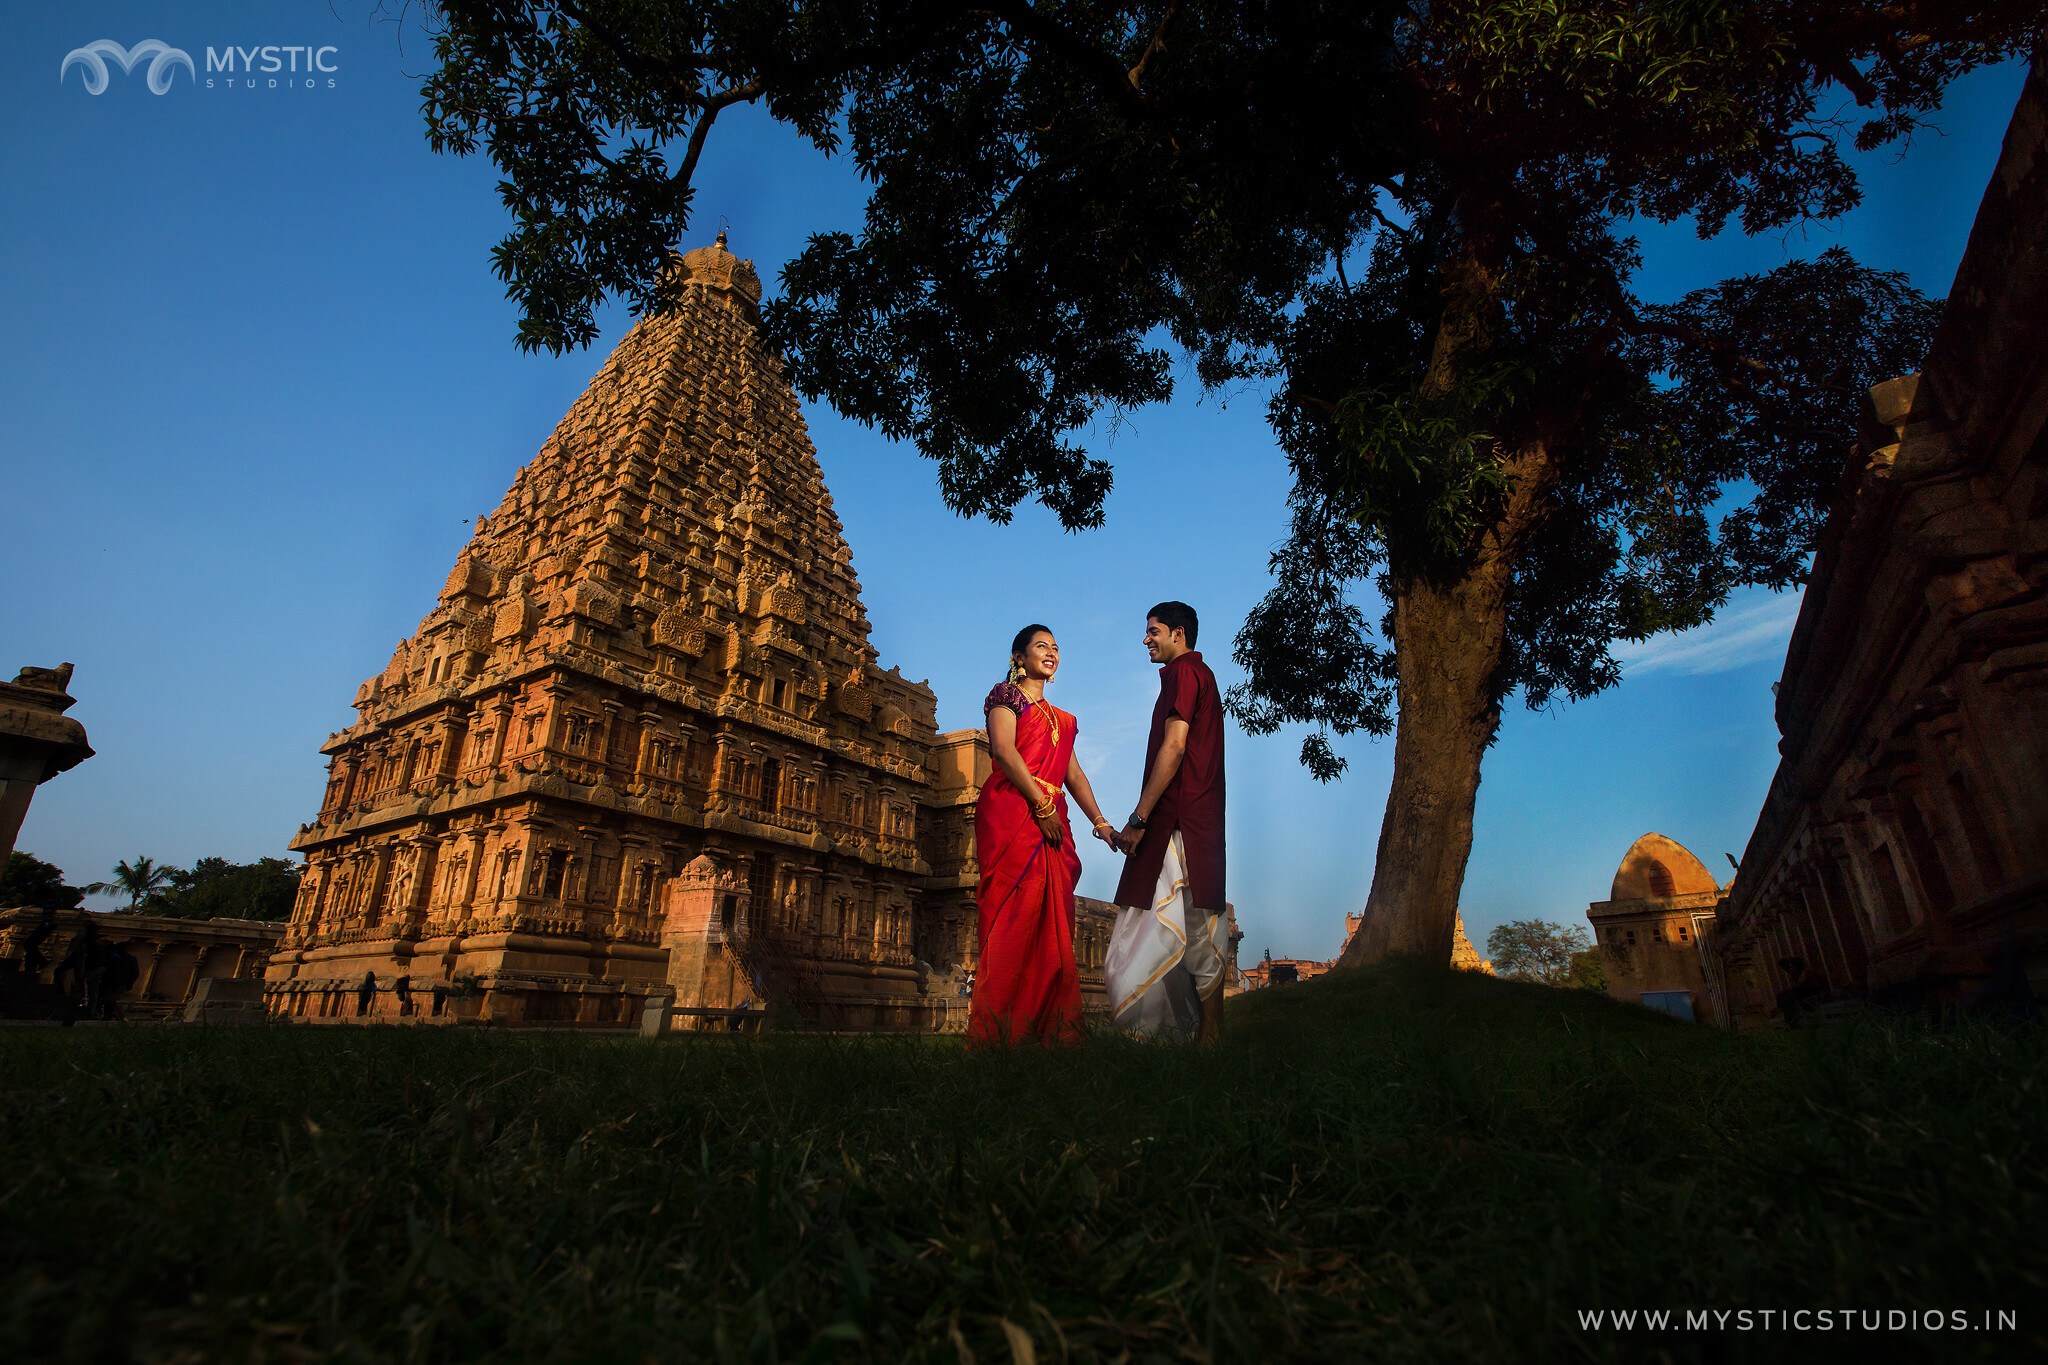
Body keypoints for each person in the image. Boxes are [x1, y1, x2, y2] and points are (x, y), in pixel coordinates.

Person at [969, 624, 1119, 1046]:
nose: (1051, 653)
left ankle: (1050, 1034)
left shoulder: (1062, 718)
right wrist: (1041, 805)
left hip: (1052, 823)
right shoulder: (1006, 697)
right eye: (1041, 646)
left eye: (1055, 647)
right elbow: (1003, 752)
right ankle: (995, 1036)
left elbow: (1073, 774)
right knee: (1013, 921)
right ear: (1019, 657)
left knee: (1052, 927)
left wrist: (1101, 822)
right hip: (1015, 813)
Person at [1106, 602, 1229, 1043]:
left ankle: (1151, 1034)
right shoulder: (1204, 676)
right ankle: (1209, 1034)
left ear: (1178, 634)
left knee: (1143, 931)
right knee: (1200, 927)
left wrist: (1139, 817)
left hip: (1176, 823)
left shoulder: (1183, 674)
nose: (1146, 639)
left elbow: (1174, 748)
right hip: (1202, 820)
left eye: (1152, 631)